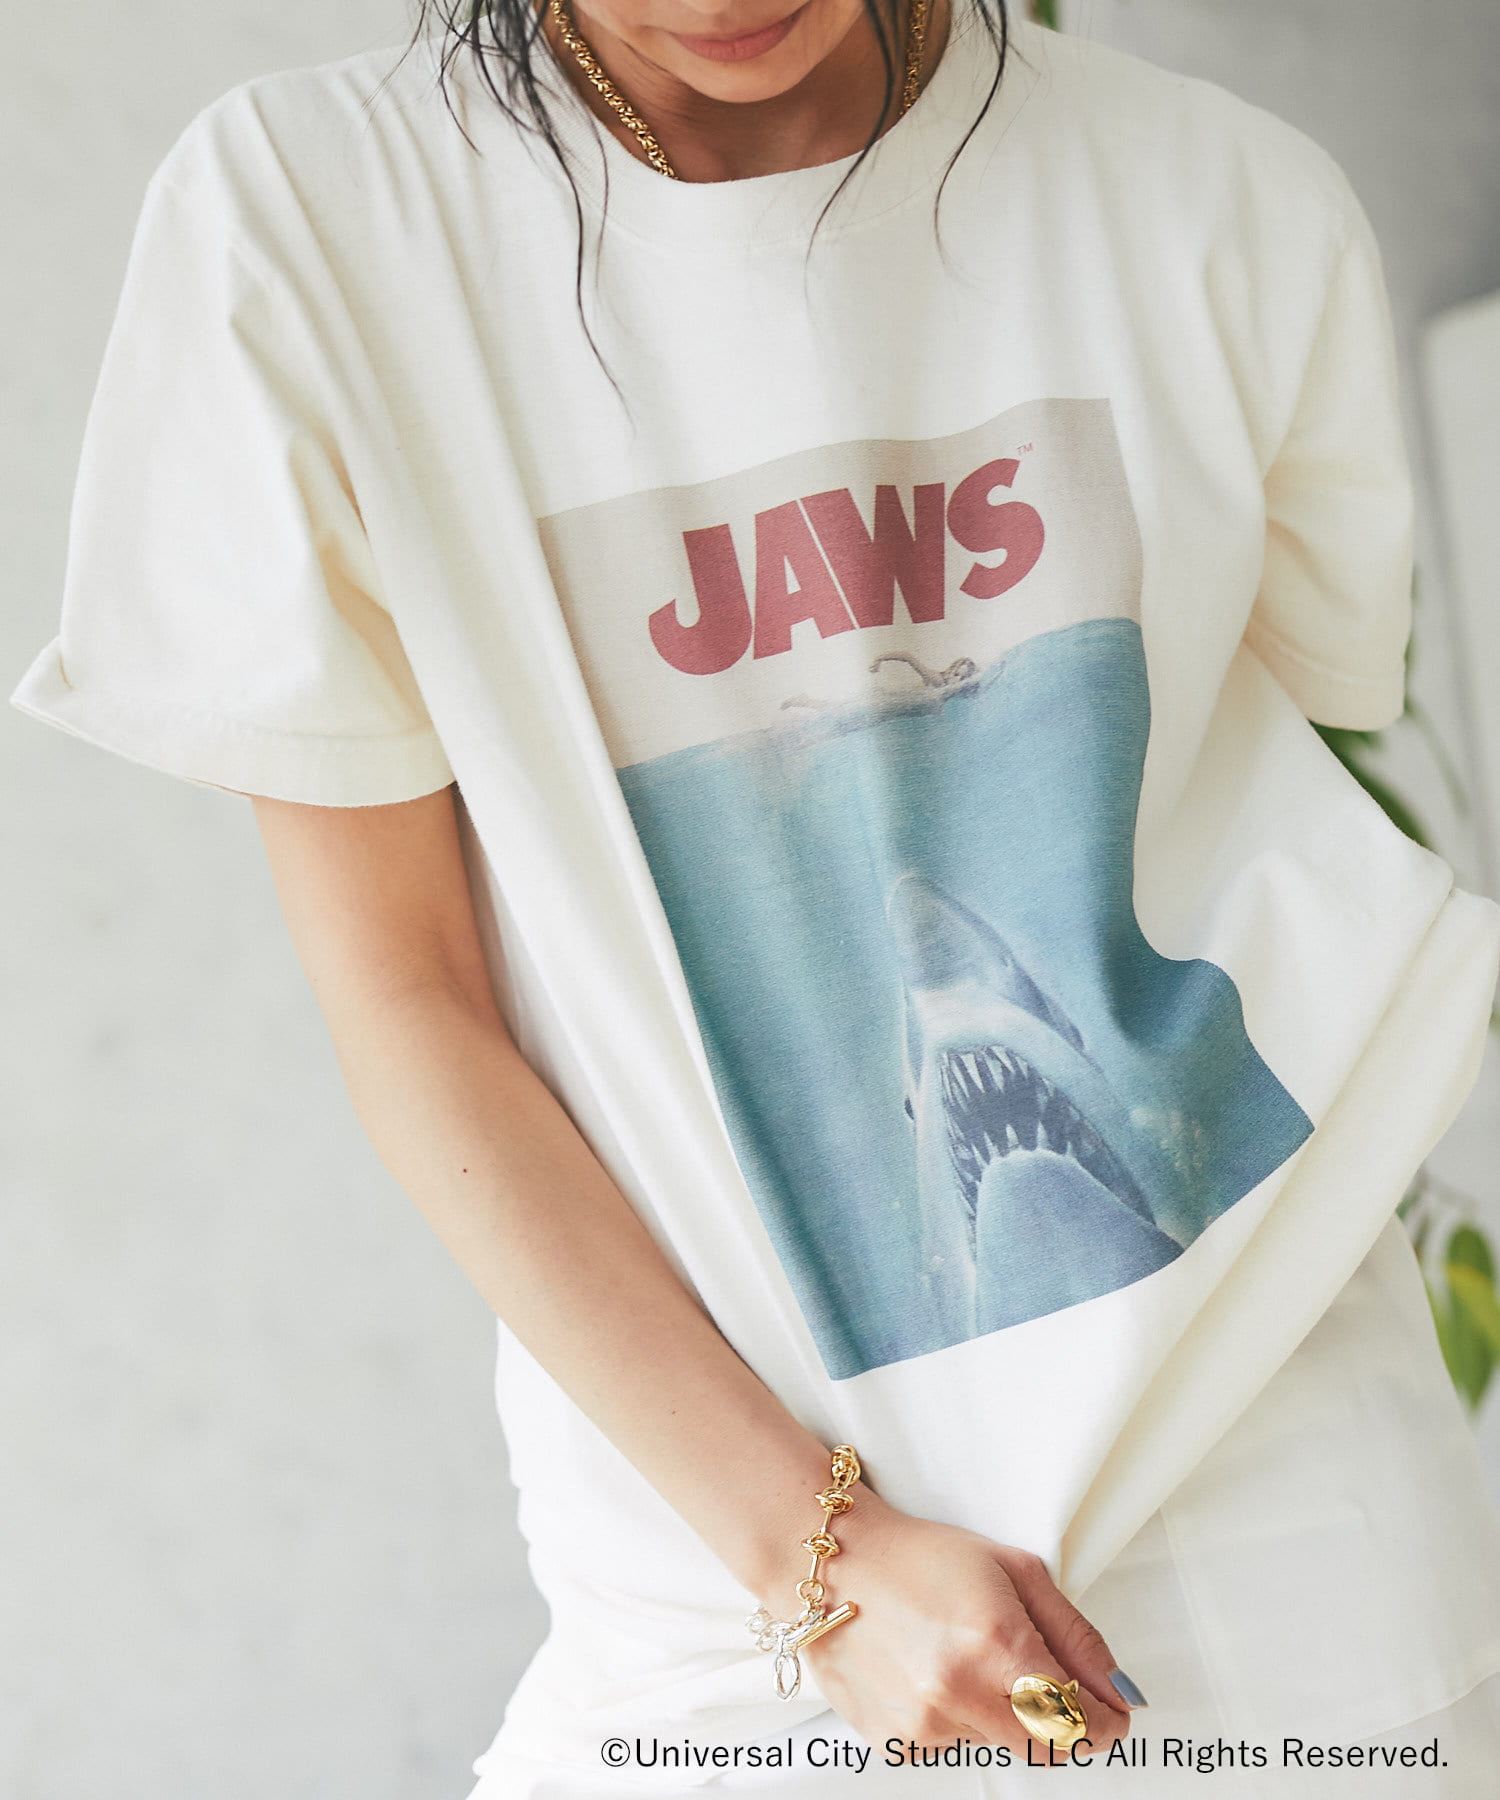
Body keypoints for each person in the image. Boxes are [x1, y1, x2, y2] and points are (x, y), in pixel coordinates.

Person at [12, 0, 1500, 1792]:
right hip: (727, 1617)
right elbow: (413, 1001)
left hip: (1297, 1555)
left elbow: (1260, 812)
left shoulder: (1224, 202)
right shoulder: (312, 221)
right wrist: (820, 1558)